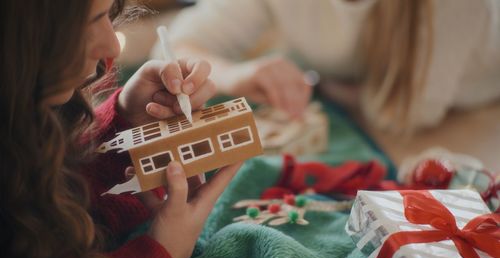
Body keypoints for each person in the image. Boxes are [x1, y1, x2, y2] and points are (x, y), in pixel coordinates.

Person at [0, 0, 240, 258]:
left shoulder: (28, 120)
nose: (112, 45)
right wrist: (161, 252)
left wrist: (123, 125)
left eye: (107, 14)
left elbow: (42, 197)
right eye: (88, 23)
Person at [156, 0, 500, 133]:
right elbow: (173, 43)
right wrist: (235, 74)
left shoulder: (455, 8)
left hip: (473, 102)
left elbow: (405, 113)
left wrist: (321, 85)